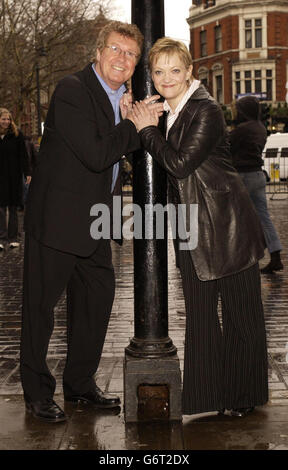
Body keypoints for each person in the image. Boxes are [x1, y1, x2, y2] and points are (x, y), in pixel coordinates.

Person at [20, 20, 161, 423]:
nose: (123, 58)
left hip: (97, 224)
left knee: (95, 306)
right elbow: (97, 154)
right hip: (58, 223)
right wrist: (133, 123)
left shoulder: (123, 100)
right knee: (40, 312)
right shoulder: (72, 91)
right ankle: (37, 392)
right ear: (97, 53)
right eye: (116, 49)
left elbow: (128, 157)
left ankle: (80, 385)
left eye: (131, 54)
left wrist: (133, 121)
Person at [128, 37, 269, 417]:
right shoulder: (168, 111)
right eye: (159, 71)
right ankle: (207, 398)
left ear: (189, 71)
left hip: (229, 224)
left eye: (175, 70)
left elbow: (179, 164)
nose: (166, 77)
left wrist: (146, 130)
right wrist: (137, 121)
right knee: (201, 317)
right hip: (191, 226)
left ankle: (243, 395)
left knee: (241, 315)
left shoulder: (205, 109)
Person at [229, 96, 283, 274]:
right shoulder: (260, 127)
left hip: (242, 176)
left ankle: (242, 259)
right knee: (263, 217)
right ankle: (275, 255)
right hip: (257, 175)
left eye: (238, 109)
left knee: (236, 218)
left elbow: (225, 145)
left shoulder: (242, 129)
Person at [0, 108, 31, 250]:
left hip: (14, 176)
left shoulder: (17, 134)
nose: (6, 121)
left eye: (8, 119)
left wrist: (28, 172)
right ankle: (1, 237)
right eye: (3, 119)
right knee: (1, 208)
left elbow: (23, 155)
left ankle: (13, 237)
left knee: (13, 207)